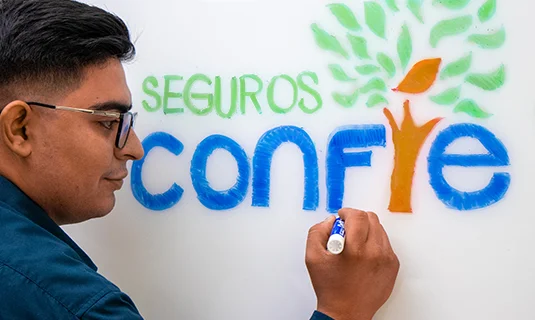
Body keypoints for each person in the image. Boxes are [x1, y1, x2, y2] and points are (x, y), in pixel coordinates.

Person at [0, 0, 400, 319]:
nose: (135, 148)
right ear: (20, 128)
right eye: (108, 122)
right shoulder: (67, 300)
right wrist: (343, 312)